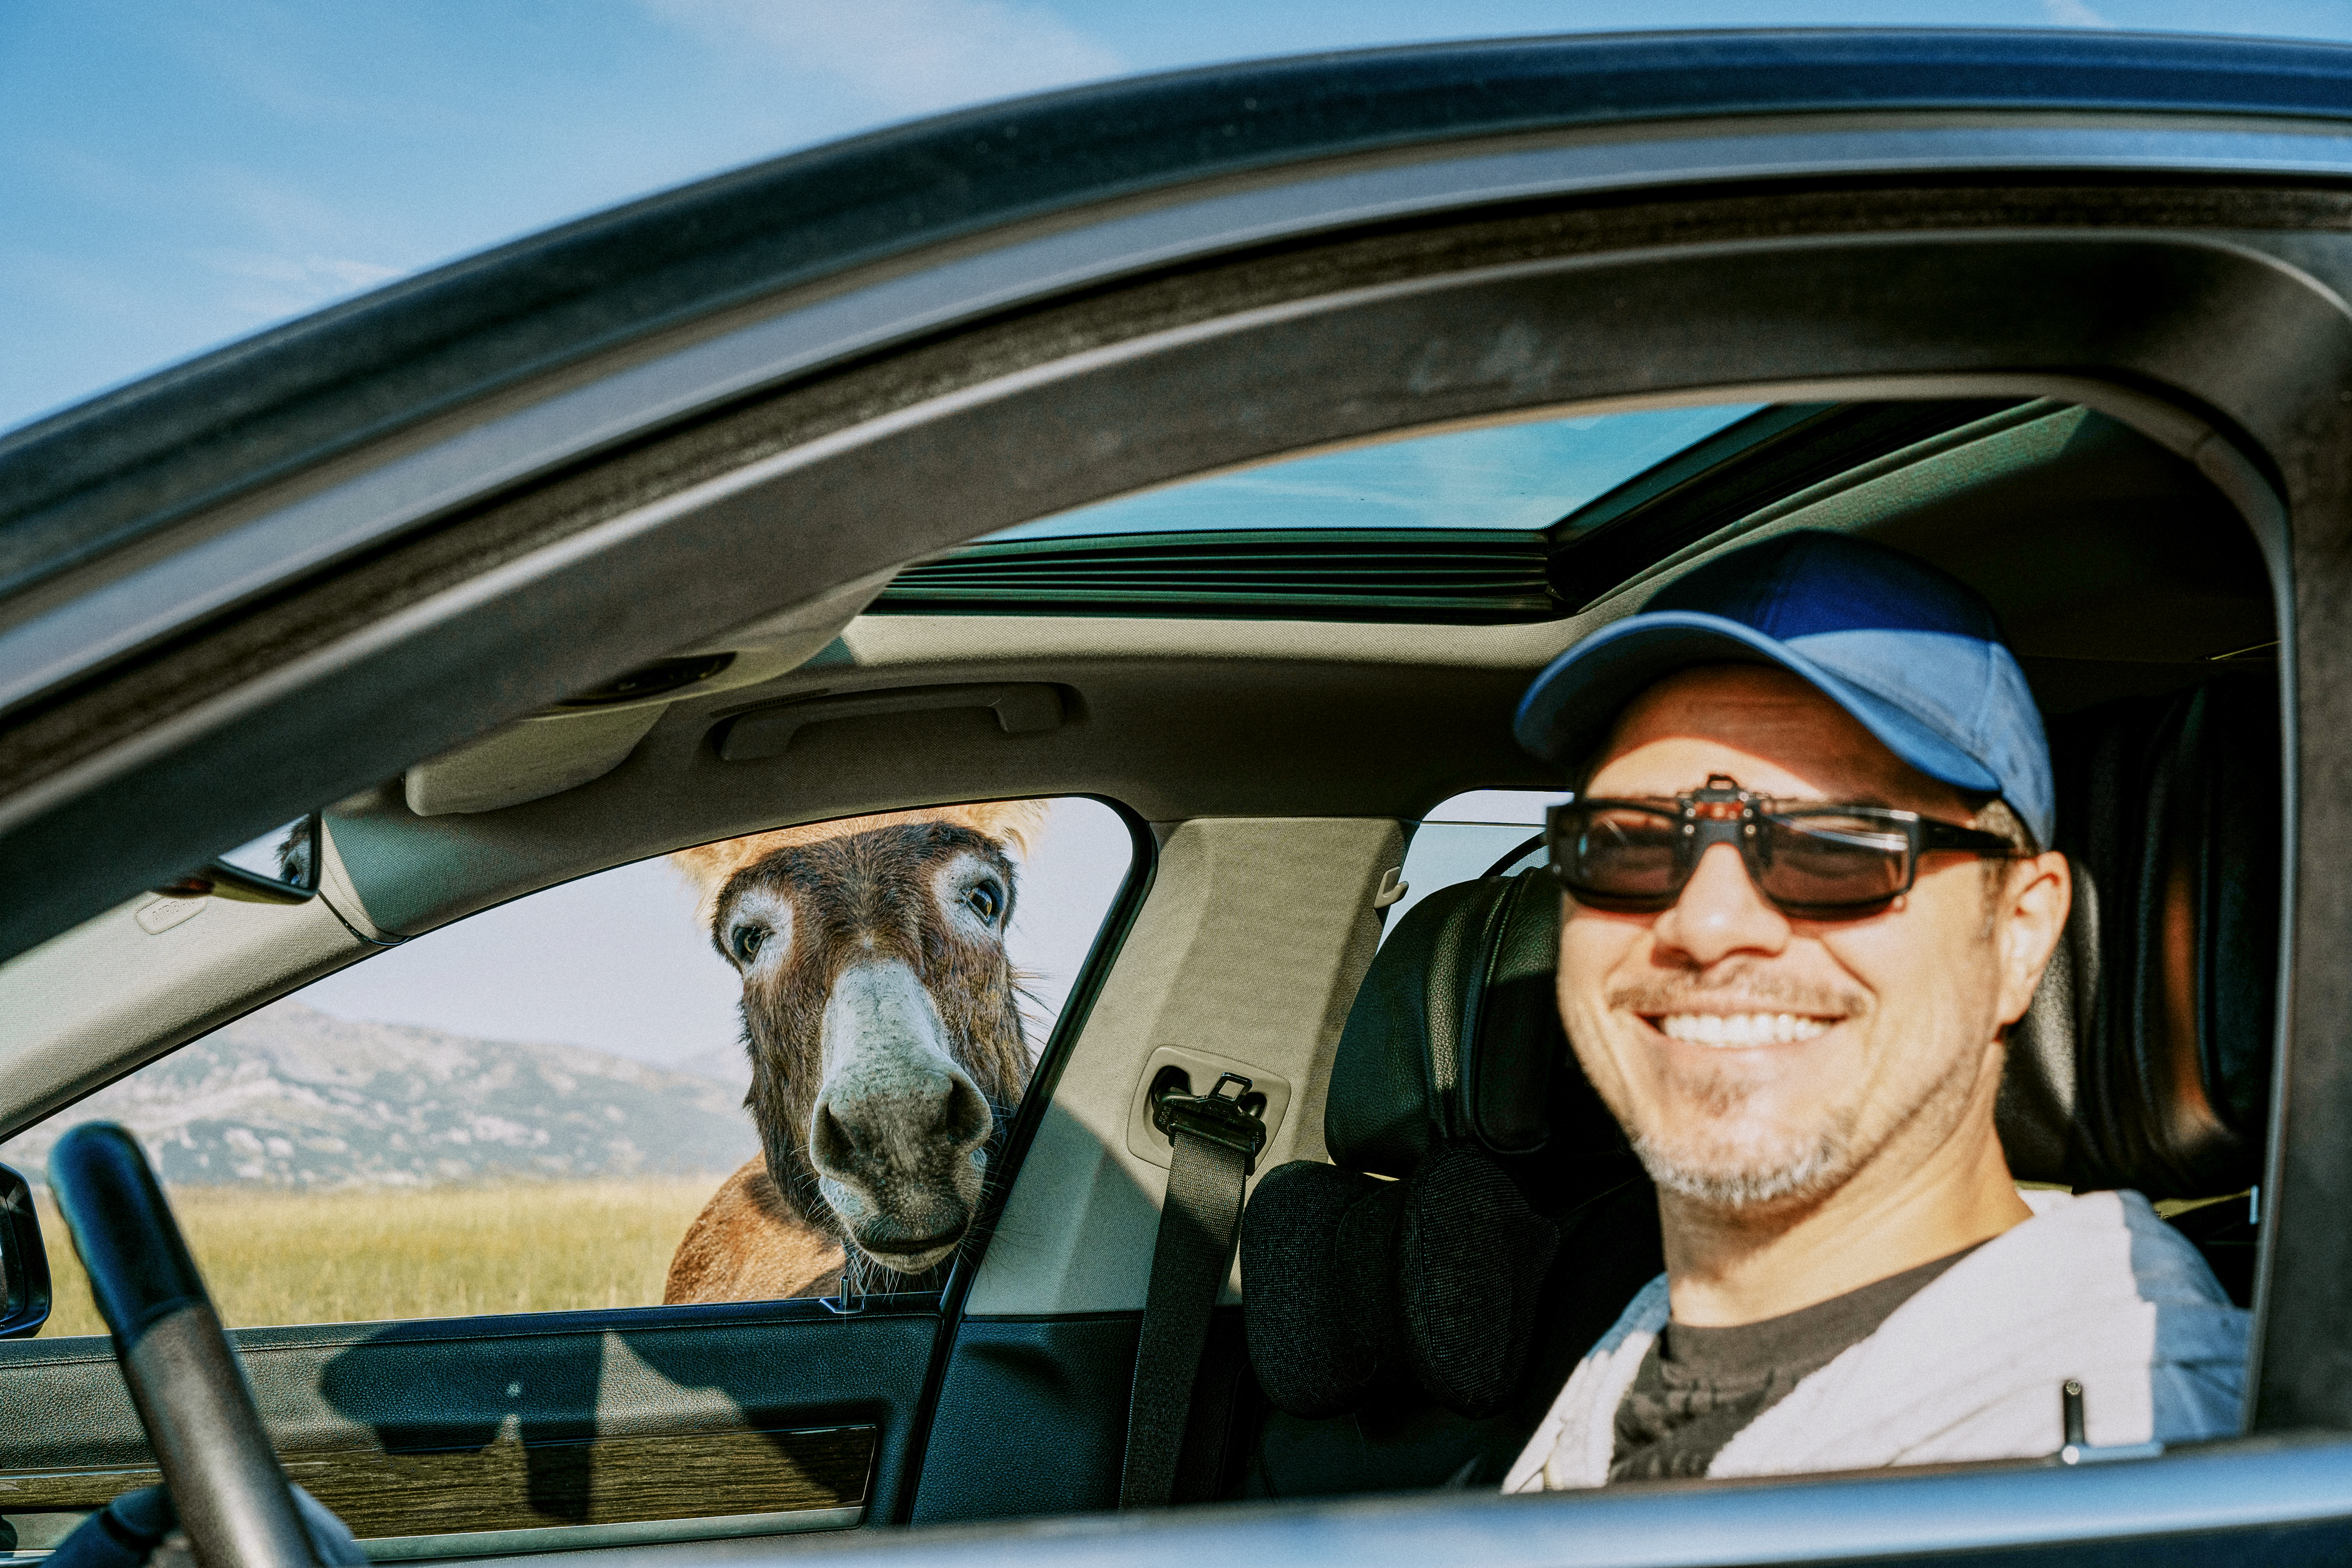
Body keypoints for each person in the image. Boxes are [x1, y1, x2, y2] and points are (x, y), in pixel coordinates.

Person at [1500, 530, 2248, 1490]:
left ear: (2021, 930)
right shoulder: (1630, 1353)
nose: (1709, 919)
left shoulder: (2126, 1459)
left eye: (1836, 847)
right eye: (1634, 842)